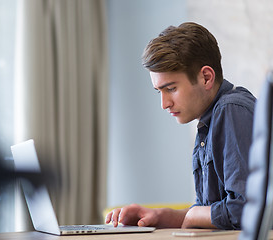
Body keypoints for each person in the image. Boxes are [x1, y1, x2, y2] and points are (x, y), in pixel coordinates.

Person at [105, 22, 256, 230]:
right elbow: (211, 211)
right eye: (160, 92)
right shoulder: (208, 122)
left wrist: (195, 215)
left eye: (171, 89)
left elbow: (247, 211)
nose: (164, 104)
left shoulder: (232, 110)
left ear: (206, 77)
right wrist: (159, 215)